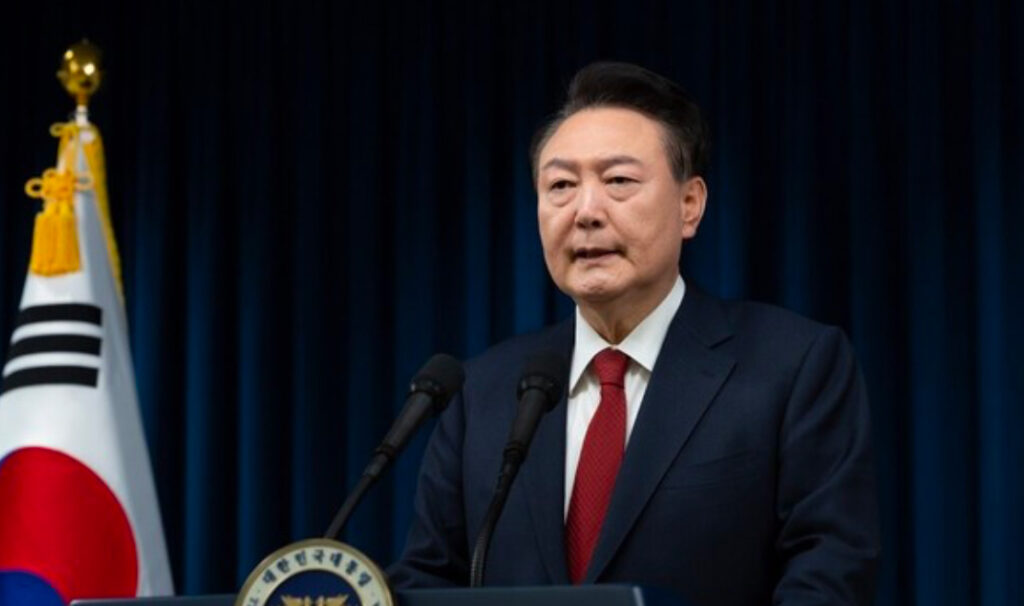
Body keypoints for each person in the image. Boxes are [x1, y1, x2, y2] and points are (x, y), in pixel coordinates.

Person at [388, 62, 879, 606]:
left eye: (618, 181)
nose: (586, 212)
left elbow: (829, 578)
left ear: (690, 205)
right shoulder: (481, 393)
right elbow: (424, 581)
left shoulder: (794, 366)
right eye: (560, 186)